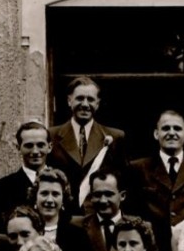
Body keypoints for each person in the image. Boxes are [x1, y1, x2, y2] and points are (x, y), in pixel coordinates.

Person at [128, 109, 184, 251]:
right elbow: (131, 210)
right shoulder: (137, 168)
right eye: (165, 128)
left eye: (177, 128)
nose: (171, 133)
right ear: (155, 134)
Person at [47, 75, 127, 203]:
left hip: (100, 212)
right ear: (69, 101)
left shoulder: (116, 137)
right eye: (79, 98)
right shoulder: (51, 135)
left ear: (98, 103)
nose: (85, 104)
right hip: (63, 212)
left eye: (90, 99)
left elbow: (123, 180)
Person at [0, 122, 53, 235]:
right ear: (18, 148)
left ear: (49, 147)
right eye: (29, 145)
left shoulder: (63, 184)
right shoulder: (0, 189)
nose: (35, 151)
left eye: (41, 145)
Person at [29, 166, 92, 251]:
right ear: (35, 197)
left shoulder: (77, 235)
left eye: (55, 194)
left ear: (63, 199)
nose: (49, 200)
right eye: (44, 193)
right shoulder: (26, 231)